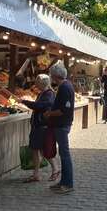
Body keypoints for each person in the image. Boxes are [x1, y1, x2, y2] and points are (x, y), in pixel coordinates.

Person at [21, 74, 60, 183]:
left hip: (42, 126)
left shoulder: (48, 94)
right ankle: (37, 174)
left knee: (42, 150)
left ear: (41, 83)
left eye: (37, 82)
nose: (35, 84)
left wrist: (25, 102)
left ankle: (54, 169)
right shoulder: (43, 93)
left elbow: (40, 106)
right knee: (38, 150)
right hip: (39, 125)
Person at [44, 64, 75, 194]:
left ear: (55, 76)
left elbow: (63, 110)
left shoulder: (64, 88)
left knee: (65, 155)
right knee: (63, 154)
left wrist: (49, 113)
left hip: (62, 125)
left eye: (51, 75)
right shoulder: (65, 85)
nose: (51, 77)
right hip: (61, 124)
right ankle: (63, 182)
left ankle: (67, 184)